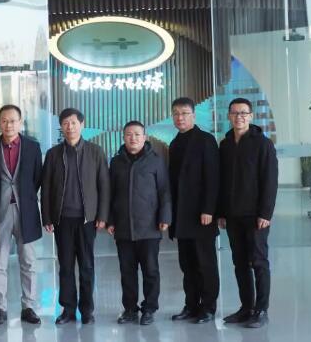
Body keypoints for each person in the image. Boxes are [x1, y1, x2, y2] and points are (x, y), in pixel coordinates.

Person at [41, 108, 110, 325]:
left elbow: (104, 186)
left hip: (87, 219)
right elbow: (46, 187)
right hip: (62, 219)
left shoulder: (95, 152)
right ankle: (68, 309)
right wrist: (47, 217)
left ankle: (87, 310)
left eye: (73, 122)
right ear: (61, 127)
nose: (69, 127)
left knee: (87, 266)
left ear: (82, 124)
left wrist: (102, 215)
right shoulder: (53, 154)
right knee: (66, 266)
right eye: (65, 123)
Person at [0, 104, 43, 327]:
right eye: (4, 121)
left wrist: (24, 197)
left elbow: (37, 178)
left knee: (28, 261)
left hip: (26, 211)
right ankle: (0, 308)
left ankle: (29, 307)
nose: (9, 125)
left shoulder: (33, 147)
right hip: (0, 212)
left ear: (20, 122)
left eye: (13, 120)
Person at [219, 98, 278, 329]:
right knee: (240, 263)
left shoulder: (263, 144)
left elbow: (270, 181)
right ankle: (246, 308)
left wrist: (266, 213)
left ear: (251, 116)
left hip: (256, 216)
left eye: (243, 113)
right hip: (233, 215)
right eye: (235, 113)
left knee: (259, 262)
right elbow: (222, 182)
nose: (239, 117)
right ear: (229, 116)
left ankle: (261, 310)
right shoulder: (225, 145)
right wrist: (221, 212)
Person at [107, 121, 171, 326]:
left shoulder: (156, 161)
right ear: (123, 137)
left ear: (144, 137)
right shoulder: (116, 162)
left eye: (137, 134)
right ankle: (130, 309)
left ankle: (149, 309)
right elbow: (110, 193)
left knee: (150, 270)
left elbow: (164, 191)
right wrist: (110, 220)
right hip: (124, 226)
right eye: (129, 134)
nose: (133, 138)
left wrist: (165, 217)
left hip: (149, 226)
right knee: (127, 272)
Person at [168, 97, 220, 324]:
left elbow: (213, 178)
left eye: (184, 113)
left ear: (193, 115)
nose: (180, 117)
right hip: (182, 215)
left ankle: (208, 307)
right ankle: (191, 305)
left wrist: (209, 209)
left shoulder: (206, 140)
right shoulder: (175, 143)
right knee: (187, 264)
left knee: (205, 264)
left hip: (202, 215)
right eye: (176, 113)